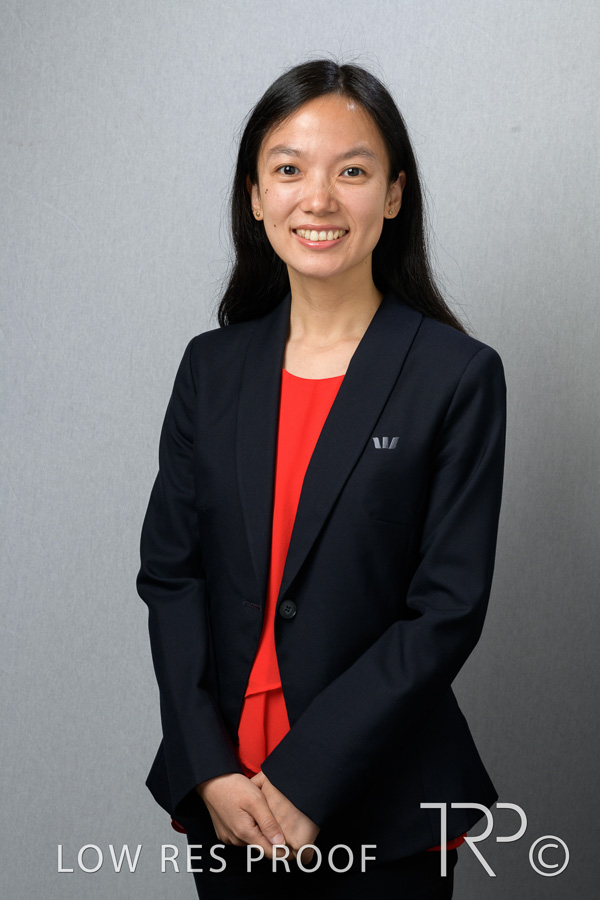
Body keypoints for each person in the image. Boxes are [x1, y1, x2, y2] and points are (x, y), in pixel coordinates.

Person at [136, 59, 507, 899]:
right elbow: (172, 576)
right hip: (227, 794)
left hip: (386, 799)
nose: (319, 199)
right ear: (255, 195)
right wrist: (206, 765)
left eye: (353, 172)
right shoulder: (210, 369)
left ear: (395, 195)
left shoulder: (457, 376)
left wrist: (308, 776)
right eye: (288, 169)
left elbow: (446, 608)